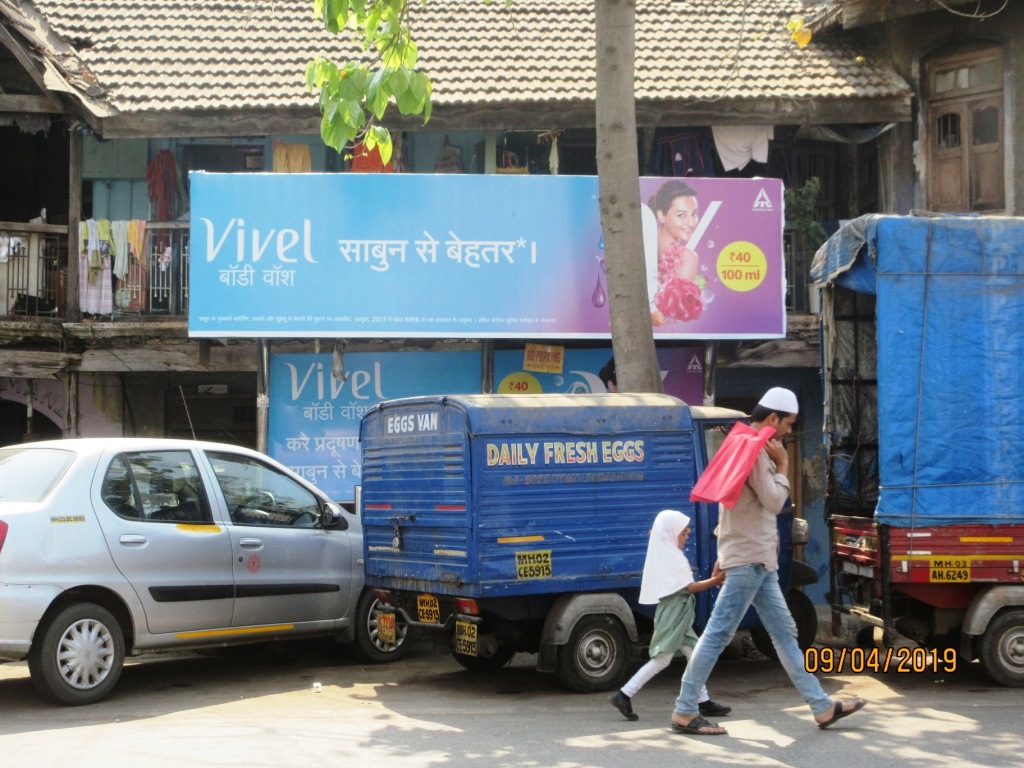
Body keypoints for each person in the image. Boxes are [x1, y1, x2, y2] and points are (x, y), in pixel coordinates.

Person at [669, 387, 866, 736]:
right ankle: (685, 710)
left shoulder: (739, 442)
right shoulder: (755, 451)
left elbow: (727, 505)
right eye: (788, 423)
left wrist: (723, 553)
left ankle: (821, 706)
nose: (789, 431)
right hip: (750, 560)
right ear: (772, 419)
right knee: (718, 633)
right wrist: (784, 466)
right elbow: (775, 502)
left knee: (785, 634)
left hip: (754, 559)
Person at [609, 509, 731, 722]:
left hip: (679, 614)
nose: (686, 537)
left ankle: (703, 700)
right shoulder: (672, 558)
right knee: (663, 658)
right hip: (674, 615)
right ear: (671, 533)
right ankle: (624, 693)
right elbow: (690, 587)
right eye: (683, 533)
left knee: (693, 654)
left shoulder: (668, 555)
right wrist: (718, 578)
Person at [646, 180, 705, 326]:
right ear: (661, 215)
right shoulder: (687, 258)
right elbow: (676, 316)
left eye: (694, 214)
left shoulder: (642, 244)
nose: (691, 222)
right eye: (681, 215)